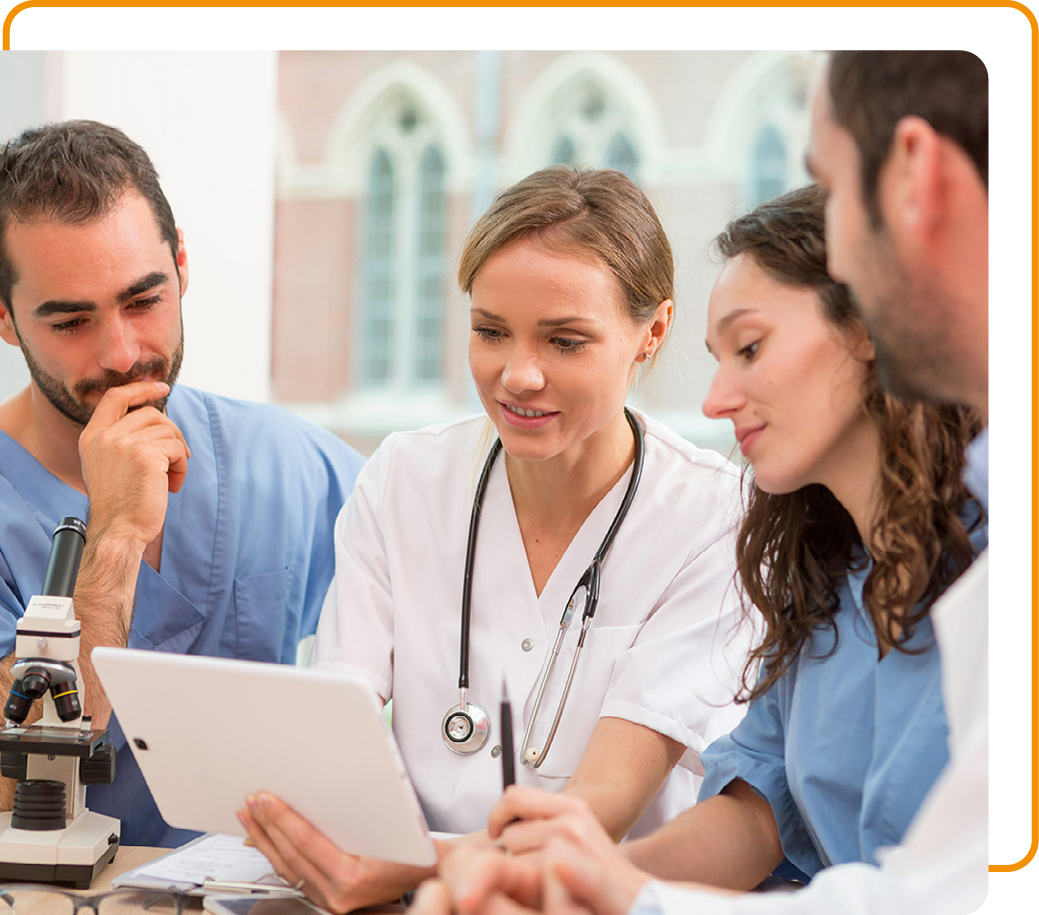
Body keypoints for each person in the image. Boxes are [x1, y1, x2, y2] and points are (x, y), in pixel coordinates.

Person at [411, 49, 991, 915]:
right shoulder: (824, 573)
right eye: (490, 330)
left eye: (750, 348)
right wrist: (585, 881)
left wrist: (627, 892)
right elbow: (759, 814)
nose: (718, 400)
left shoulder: (993, 551)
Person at [237, 166, 754, 912]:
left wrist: (416, 863)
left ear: (654, 331)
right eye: (489, 332)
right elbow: (340, 720)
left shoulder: (713, 514)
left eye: (565, 340)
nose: (518, 375)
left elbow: (604, 796)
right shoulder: (403, 480)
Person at [0, 120, 364, 847]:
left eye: (143, 300)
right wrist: (114, 538)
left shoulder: (280, 457)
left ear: (180, 266)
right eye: (71, 320)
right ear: (1, 315)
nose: (123, 353)